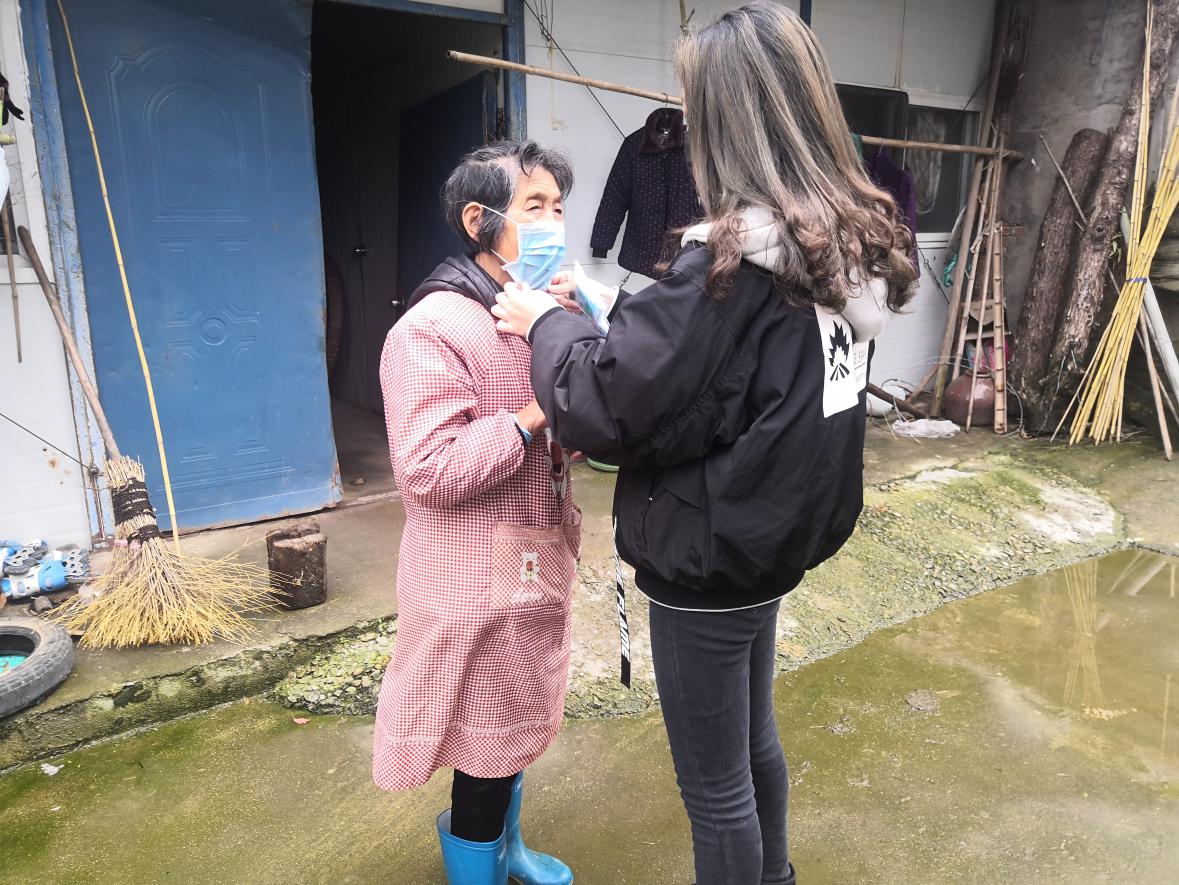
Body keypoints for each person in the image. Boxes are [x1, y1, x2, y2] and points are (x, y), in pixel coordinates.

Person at [492, 4, 917, 883]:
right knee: (752, 744)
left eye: (695, 111)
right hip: (772, 536)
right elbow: (726, 377)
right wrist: (614, 314)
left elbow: (603, 407)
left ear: (727, 122)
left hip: (711, 553)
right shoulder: (834, 247)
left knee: (715, 788)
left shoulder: (732, 262)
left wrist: (544, 325)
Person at [372, 139, 582, 885]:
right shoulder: (431, 327)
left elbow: (568, 440)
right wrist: (538, 410)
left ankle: (507, 849)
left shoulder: (535, 314)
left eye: (558, 206)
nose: (553, 222)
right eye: (534, 206)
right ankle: (477, 870)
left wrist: (580, 369)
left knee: (515, 720)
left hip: (532, 557)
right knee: (482, 744)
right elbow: (428, 469)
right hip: (466, 579)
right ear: (477, 220)